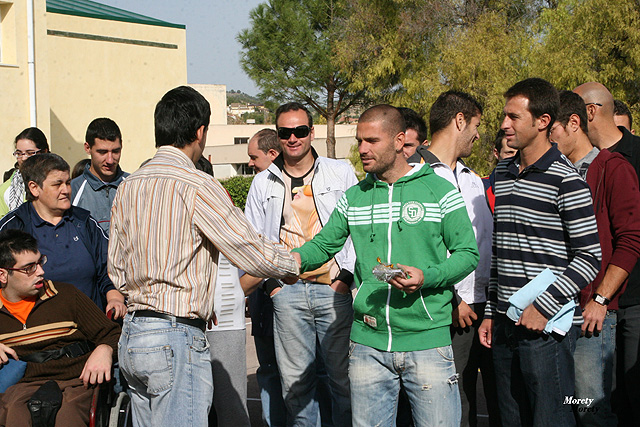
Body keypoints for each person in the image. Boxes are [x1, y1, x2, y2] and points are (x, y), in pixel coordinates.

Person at [108, 85, 298, 427]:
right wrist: (296, 262)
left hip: (133, 335)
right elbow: (249, 250)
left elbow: (116, 268)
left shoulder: (129, 185)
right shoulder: (197, 184)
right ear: (200, 131)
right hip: (174, 335)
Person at [292, 104, 479, 426]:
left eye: (372, 141)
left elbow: (467, 254)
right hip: (367, 343)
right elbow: (324, 245)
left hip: (428, 342)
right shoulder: (354, 197)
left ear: (399, 140)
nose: (362, 149)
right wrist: (288, 260)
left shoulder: (439, 190)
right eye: (359, 141)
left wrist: (428, 277)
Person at [478, 78, 601, 426]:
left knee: (551, 419)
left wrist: (542, 307)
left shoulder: (568, 181)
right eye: (505, 115)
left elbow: (589, 257)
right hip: (504, 325)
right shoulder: (501, 172)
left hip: (545, 329)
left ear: (543, 121)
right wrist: (490, 310)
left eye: (514, 117)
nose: (504, 124)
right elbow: (501, 250)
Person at [244, 101, 357, 426]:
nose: (293, 138)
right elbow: (254, 242)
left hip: (333, 290)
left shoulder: (339, 173)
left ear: (312, 132)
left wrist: (344, 280)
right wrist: (272, 287)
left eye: (300, 131)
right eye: (285, 132)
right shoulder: (263, 182)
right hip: (287, 294)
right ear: (278, 136)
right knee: (296, 387)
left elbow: (357, 230)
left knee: (341, 382)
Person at [408, 91, 499, 427]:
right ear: (459, 120)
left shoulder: (472, 179)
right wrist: (455, 299)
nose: (478, 134)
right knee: (446, 401)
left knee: (485, 399)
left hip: (484, 310)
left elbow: (485, 245)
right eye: (475, 124)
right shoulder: (416, 178)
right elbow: (417, 251)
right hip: (446, 313)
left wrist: (488, 304)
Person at [550, 90, 640, 426]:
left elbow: (630, 239)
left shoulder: (613, 169)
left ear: (575, 123)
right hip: (552, 310)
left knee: (591, 409)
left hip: (591, 314)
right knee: (562, 406)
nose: (547, 140)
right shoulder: (553, 174)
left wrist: (601, 298)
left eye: (552, 131)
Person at [0, 229, 120, 427]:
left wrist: (105, 349)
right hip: (22, 385)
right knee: (15, 414)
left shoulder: (66, 295)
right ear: (3, 275)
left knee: (68, 417)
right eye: (29, 268)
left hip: (77, 380)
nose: (41, 272)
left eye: (40, 262)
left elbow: (113, 333)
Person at [0, 153, 125, 318]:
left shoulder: (85, 222)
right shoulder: (13, 227)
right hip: (34, 331)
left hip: (87, 329)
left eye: (67, 183)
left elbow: (108, 270)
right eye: (57, 184)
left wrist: (115, 299)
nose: (66, 190)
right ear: (34, 188)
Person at [71, 118, 129, 234]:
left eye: (115, 151)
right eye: (102, 152)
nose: (110, 160)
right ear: (88, 148)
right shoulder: (72, 190)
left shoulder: (133, 185)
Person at [0, 128, 50, 216]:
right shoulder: (5, 189)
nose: (24, 158)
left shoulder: (57, 182)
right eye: (19, 153)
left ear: (44, 152)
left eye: (30, 153)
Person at [482, 130, 517, 214]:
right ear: (496, 154)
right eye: (509, 153)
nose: (516, 158)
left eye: (519, 153)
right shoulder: (480, 188)